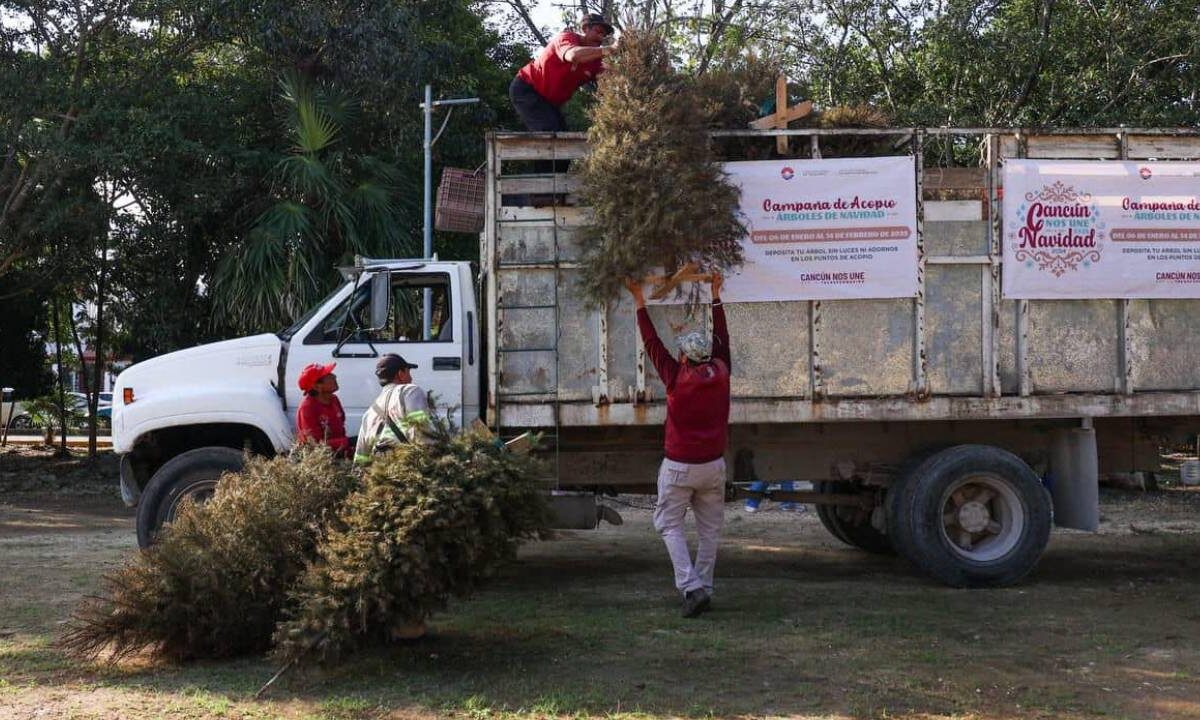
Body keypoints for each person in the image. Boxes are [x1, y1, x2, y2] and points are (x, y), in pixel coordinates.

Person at [625, 273, 731, 618]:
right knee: (710, 531)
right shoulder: (721, 372)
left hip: (680, 466)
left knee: (669, 524)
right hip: (713, 465)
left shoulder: (676, 378)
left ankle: (691, 587)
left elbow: (652, 343)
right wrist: (715, 295)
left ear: (685, 357)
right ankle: (704, 587)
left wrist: (639, 299)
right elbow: (723, 341)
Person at [510, 13, 617, 135]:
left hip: (551, 102)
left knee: (563, 135)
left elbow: (608, 80)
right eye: (598, 31)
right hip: (527, 89)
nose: (600, 37)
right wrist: (611, 49)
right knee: (549, 134)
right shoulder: (567, 38)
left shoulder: (595, 61)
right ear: (585, 28)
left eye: (603, 34)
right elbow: (573, 55)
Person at [353, 353, 433, 464]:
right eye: (408, 372)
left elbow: (361, 456)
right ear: (400, 374)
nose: (411, 378)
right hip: (407, 469)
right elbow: (421, 430)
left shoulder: (369, 413)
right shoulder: (410, 391)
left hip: (379, 475)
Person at [295, 362, 351, 457]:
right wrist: (347, 442)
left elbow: (341, 429)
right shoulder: (307, 408)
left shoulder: (334, 399)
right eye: (328, 375)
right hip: (318, 460)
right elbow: (315, 445)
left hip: (339, 452)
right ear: (317, 387)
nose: (334, 376)